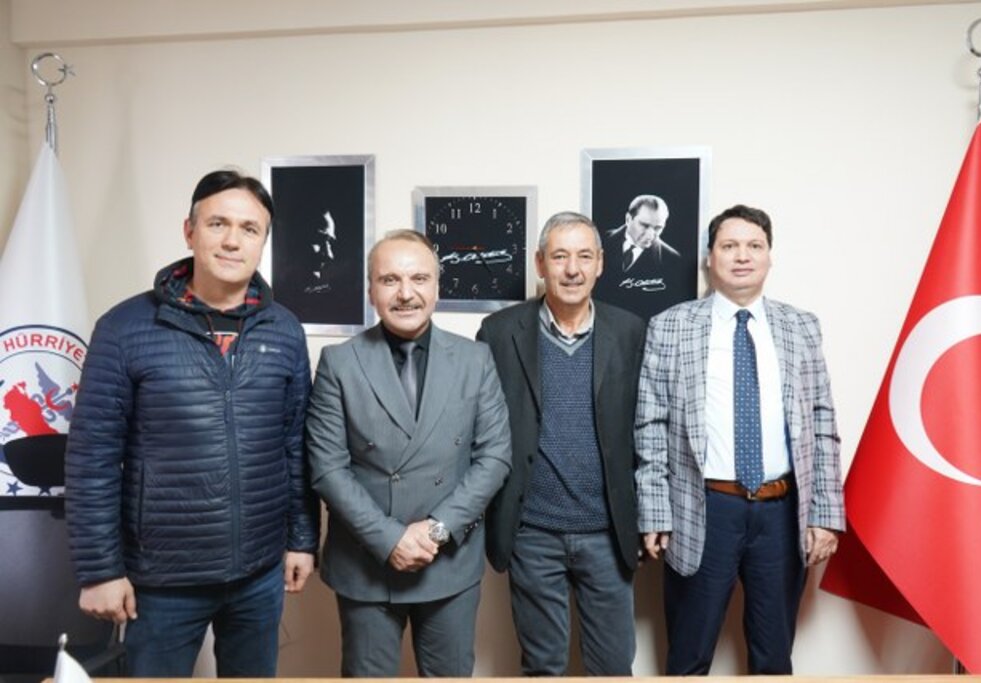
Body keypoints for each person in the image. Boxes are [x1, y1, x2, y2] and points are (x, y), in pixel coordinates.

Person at [65, 169, 320, 677]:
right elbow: (92, 458)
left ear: (263, 242)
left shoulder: (285, 330)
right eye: (217, 224)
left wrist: (302, 539)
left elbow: (296, 446)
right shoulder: (123, 328)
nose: (232, 240)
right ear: (189, 231)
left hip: (259, 573)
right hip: (161, 580)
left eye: (249, 228)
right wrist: (100, 571)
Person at [635, 204, 844, 675]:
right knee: (689, 656)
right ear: (710, 258)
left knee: (774, 657)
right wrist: (654, 511)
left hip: (781, 512)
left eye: (754, 246)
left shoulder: (801, 326)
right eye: (729, 246)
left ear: (770, 256)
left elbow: (822, 419)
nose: (742, 256)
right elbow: (650, 425)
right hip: (703, 508)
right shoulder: (670, 326)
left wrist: (825, 515)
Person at [306, 229, 512, 677]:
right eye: (390, 280)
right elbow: (327, 468)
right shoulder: (339, 361)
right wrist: (389, 539)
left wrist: (437, 530)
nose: (405, 293)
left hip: (449, 563)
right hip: (366, 563)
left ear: (437, 287)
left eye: (419, 278)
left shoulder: (475, 359)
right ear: (371, 290)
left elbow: (495, 456)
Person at [477, 211, 646, 675]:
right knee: (543, 667)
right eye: (559, 256)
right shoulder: (498, 333)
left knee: (613, 668)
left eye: (584, 256)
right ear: (539, 263)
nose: (572, 269)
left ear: (600, 264)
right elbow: (480, 431)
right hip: (532, 531)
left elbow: (647, 429)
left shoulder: (630, 331)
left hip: (607, 532)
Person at [594, 194, 684, 320]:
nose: (650, 235)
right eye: (644, 225)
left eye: (658, 228)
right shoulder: (599, 242)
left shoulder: (671, 260)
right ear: (628, 219)